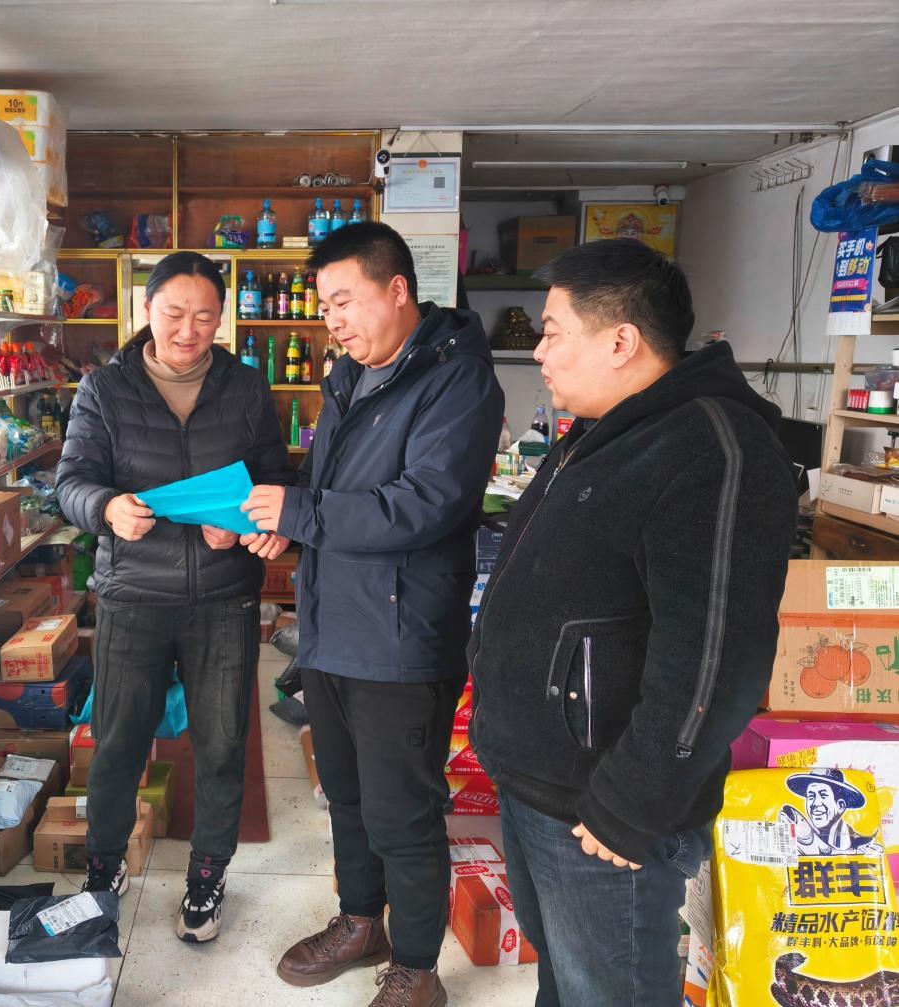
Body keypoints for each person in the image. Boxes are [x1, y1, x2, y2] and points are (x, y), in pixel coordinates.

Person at [468, 238, 799, 1007]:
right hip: (540, 782)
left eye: (552, 331)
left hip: (604, 807)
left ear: (620, 341)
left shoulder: (710, 446)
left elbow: (717, 654)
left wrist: (631, 803)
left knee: (608, 990)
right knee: (565, 980)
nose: (538, 351)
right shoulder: (605, 429)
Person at [242, 221, 504, 1007]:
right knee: (347, 799)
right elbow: (331, 489)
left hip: (400, 638)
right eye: (325, 305)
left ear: (397, 290)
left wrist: (301, 512)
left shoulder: (457, 382)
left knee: (403, 812)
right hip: (332, 629)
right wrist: (284, 521)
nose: (334, 320)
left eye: (345, 300)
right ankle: (361, 922)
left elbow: (421, 505)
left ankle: (418, 969)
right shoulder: (350, 376)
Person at [56, 251, 293, 943]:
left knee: (221, 743)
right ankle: (104, 868)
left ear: (222, 319)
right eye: (173, 313)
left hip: (224, 596)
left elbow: (275, 479)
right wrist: (106, 507)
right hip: (133, 593)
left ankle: (208, 876)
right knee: (118, 742)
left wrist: (248, 524)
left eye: (205, 316)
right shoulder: (105, 389)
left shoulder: (246, 387)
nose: (188, 330)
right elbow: (71, 481)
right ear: (146, 310)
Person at [781, 769, 881, 855]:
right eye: (811, 796)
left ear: (840, 806)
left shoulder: (862, 845)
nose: (815, 803)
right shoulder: (805, 834)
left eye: (823, 795)